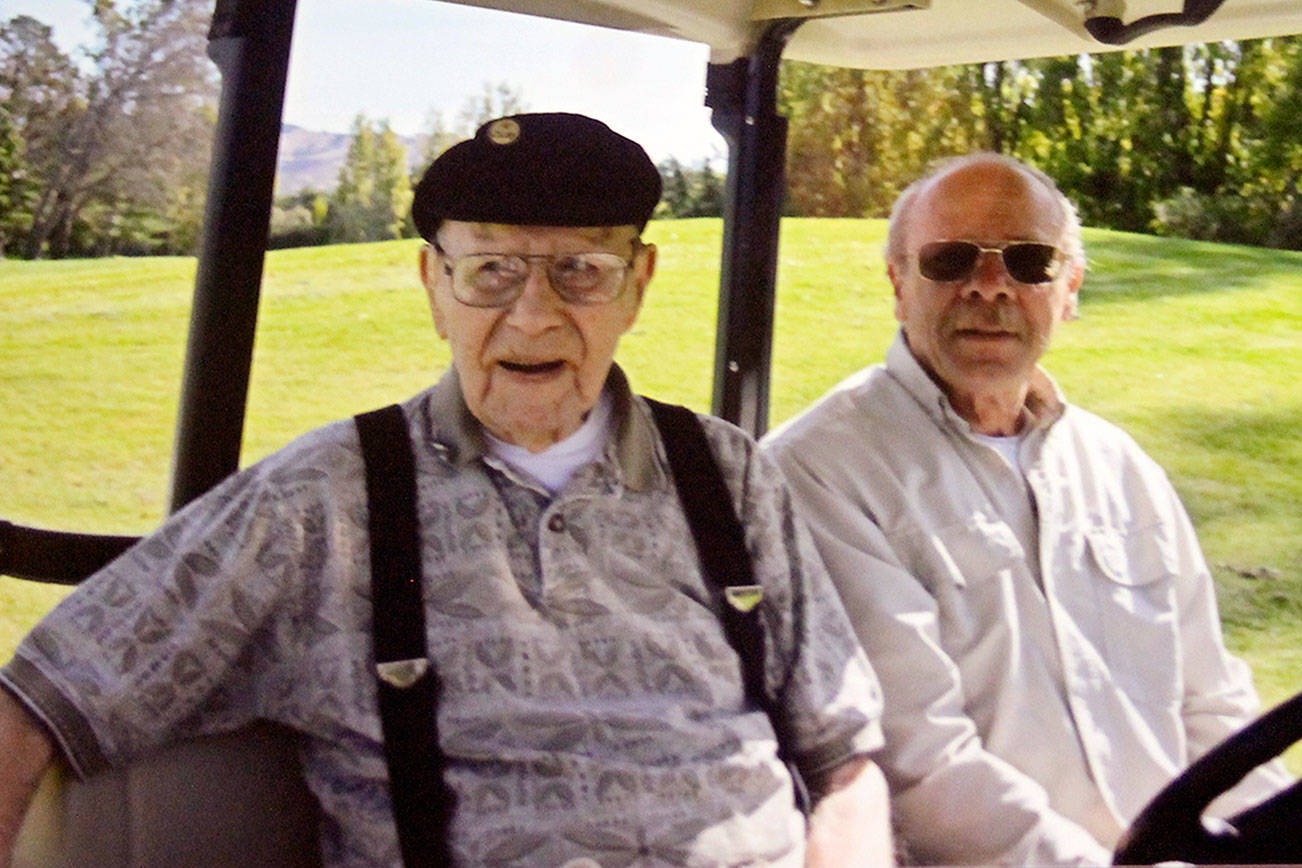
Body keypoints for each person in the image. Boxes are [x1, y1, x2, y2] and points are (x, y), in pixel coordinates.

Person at [0, 113, 892, 867]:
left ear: (639, 284)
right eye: (492, 270)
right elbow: (40, 697)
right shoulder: (322, 502)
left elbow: (845, 760)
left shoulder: (727, 475)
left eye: (581, 269)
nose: (535, 314)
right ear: (435, 285)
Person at [763, 152, 1292, 866]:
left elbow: (1212, 707)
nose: (990, 287)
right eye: (950, 261)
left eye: (1029, 261)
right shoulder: (819, 471)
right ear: (898, 283)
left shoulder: (1121, 470)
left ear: (1069, 286)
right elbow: (917, 761)